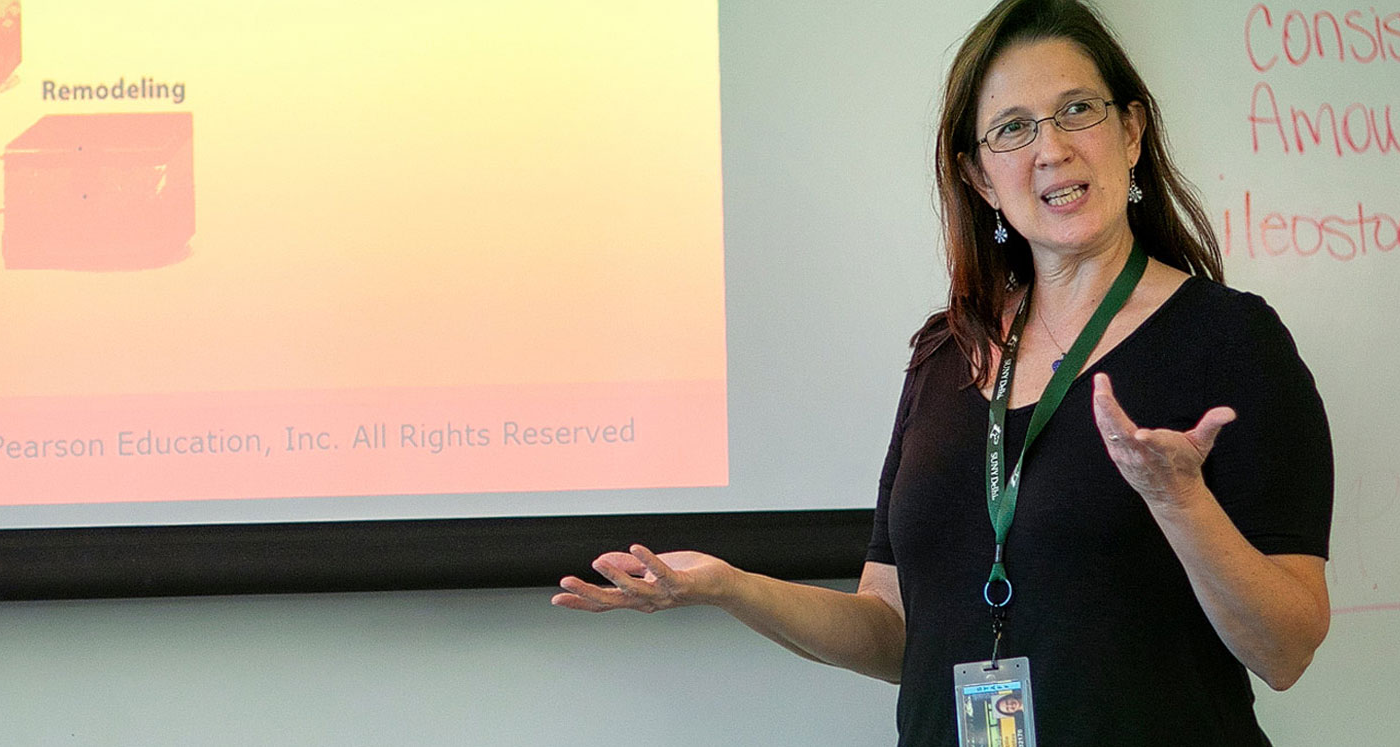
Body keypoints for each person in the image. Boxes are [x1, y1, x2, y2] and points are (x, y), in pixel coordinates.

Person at [549, 1, 1335, 745]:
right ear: (980, 177)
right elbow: (893, 631)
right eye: (1013, 128)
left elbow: (1287, 648)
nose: (1052, 147)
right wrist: (727, 585)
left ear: (1130, 132)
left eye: (1077, 110)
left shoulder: (1232, 341)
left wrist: (1178, 498)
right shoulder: (945, 354)